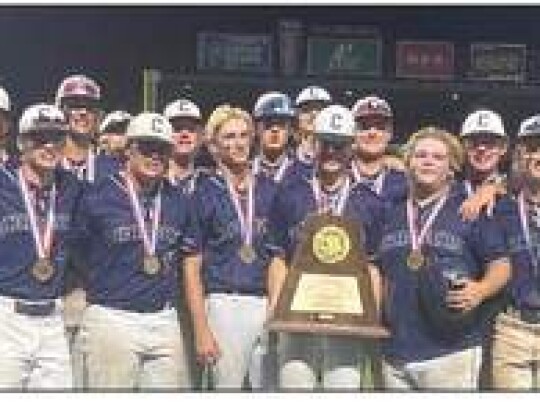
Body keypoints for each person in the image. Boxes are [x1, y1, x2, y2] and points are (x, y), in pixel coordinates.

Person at [377, 126, 511, 390]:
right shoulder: (390, 211)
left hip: (452, 351)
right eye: (421, 155)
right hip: (396, 350)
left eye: (438, 157)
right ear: (407, 163)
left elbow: (501, 265)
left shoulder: (470, 209)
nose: (428, 161)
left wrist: (481, 289)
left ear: (451, 168)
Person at [73, 112, 199, 389]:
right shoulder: (97, 195)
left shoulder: (179, 200)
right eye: (146, 147)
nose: (155, 156)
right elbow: (77, 253)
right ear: (129, 149)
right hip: (112, 315)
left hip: (163, 317)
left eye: (162, 149)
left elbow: (188, 259)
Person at [266, 105, 385, 390]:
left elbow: (372, 266)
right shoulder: (290, 193)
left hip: (347, 321)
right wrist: (276, 307)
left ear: (352, 147)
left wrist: (372, 315)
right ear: (313, 144)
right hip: (297, 319)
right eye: (325, 143)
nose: (331, 152)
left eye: (340, 145)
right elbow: (278, 257)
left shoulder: (370, 202)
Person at [188, 105, 278, 389]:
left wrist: (276, 308)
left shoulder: (270, 189)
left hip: (265, 303)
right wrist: (201, 328)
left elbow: (278, 256)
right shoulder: (203, 192)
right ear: (213, 145)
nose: (237, 143)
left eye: (243, 135)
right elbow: (191, 266)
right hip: (224, 302)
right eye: (228, 137)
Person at [0, 103, 82, 389]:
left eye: (57, 138)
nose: (49, 146)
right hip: (7, 317)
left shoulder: (72, 187)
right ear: (22, 141)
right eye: (39, 138)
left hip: (52, 319)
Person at [491, 114, 540, 389]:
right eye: (532, 148)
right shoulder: (499, 209)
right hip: (513, 329)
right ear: (520, 155)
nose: (539, 155)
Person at [350, 95, 407, 203]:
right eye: (364, 126)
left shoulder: (406, 183)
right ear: (352, 132)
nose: (372, 133)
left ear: (390, 133)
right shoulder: (337, 177)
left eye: (380, 127)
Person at [458, 109, 509, 220]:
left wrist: (496, 186)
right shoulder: (448, 190)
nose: (481, 148)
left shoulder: (515, 190)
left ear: (503, 148)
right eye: (473, 142)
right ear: (462, 147)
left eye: (490, 142)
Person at [252, 91, 304, 184]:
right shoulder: (243, 171)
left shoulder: (305, 175)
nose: (275, 129)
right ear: (256, 129)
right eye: (268, 124)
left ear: (290, 130)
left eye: (281, 124)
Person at [163, 98, 204, 192]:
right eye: (177, 128)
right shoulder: (152, 181)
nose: (185, 134)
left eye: (191, 129)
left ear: (199, 136)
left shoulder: (212, 185)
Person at [293, 86, 332, 177]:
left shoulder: (342, 160)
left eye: (320, 110)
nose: (313, 114)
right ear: (297, 117)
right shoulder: (285, 160)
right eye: (306, 110)